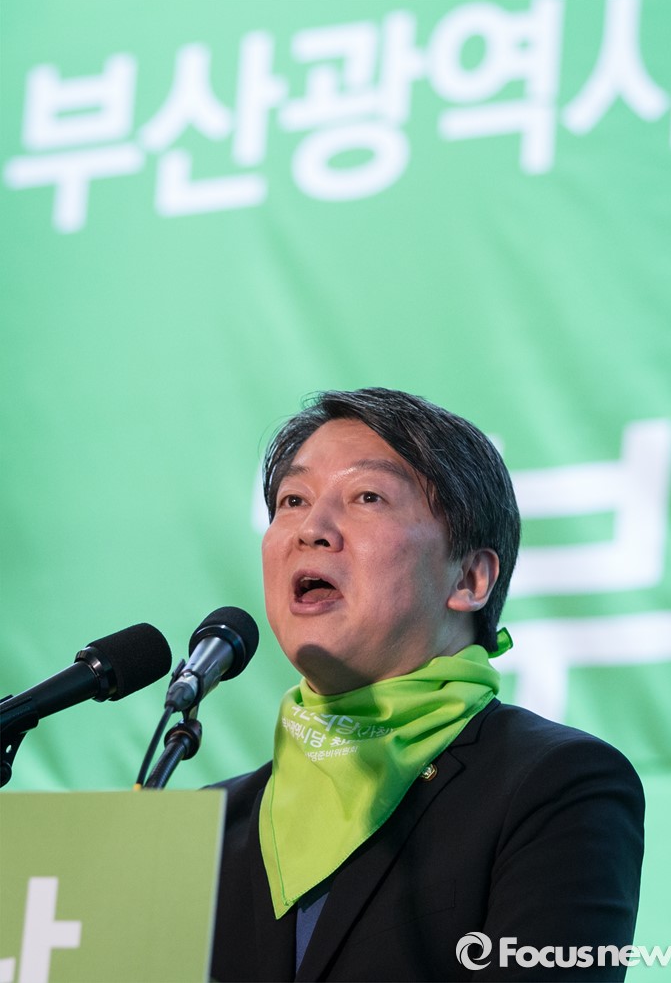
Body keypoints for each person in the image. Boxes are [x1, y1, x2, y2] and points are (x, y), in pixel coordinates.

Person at [210, 388, 644, 983]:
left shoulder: (556, 785)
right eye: (293, 499)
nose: (312, 528)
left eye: (367, 496)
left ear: (469, 579)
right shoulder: (209, 827)